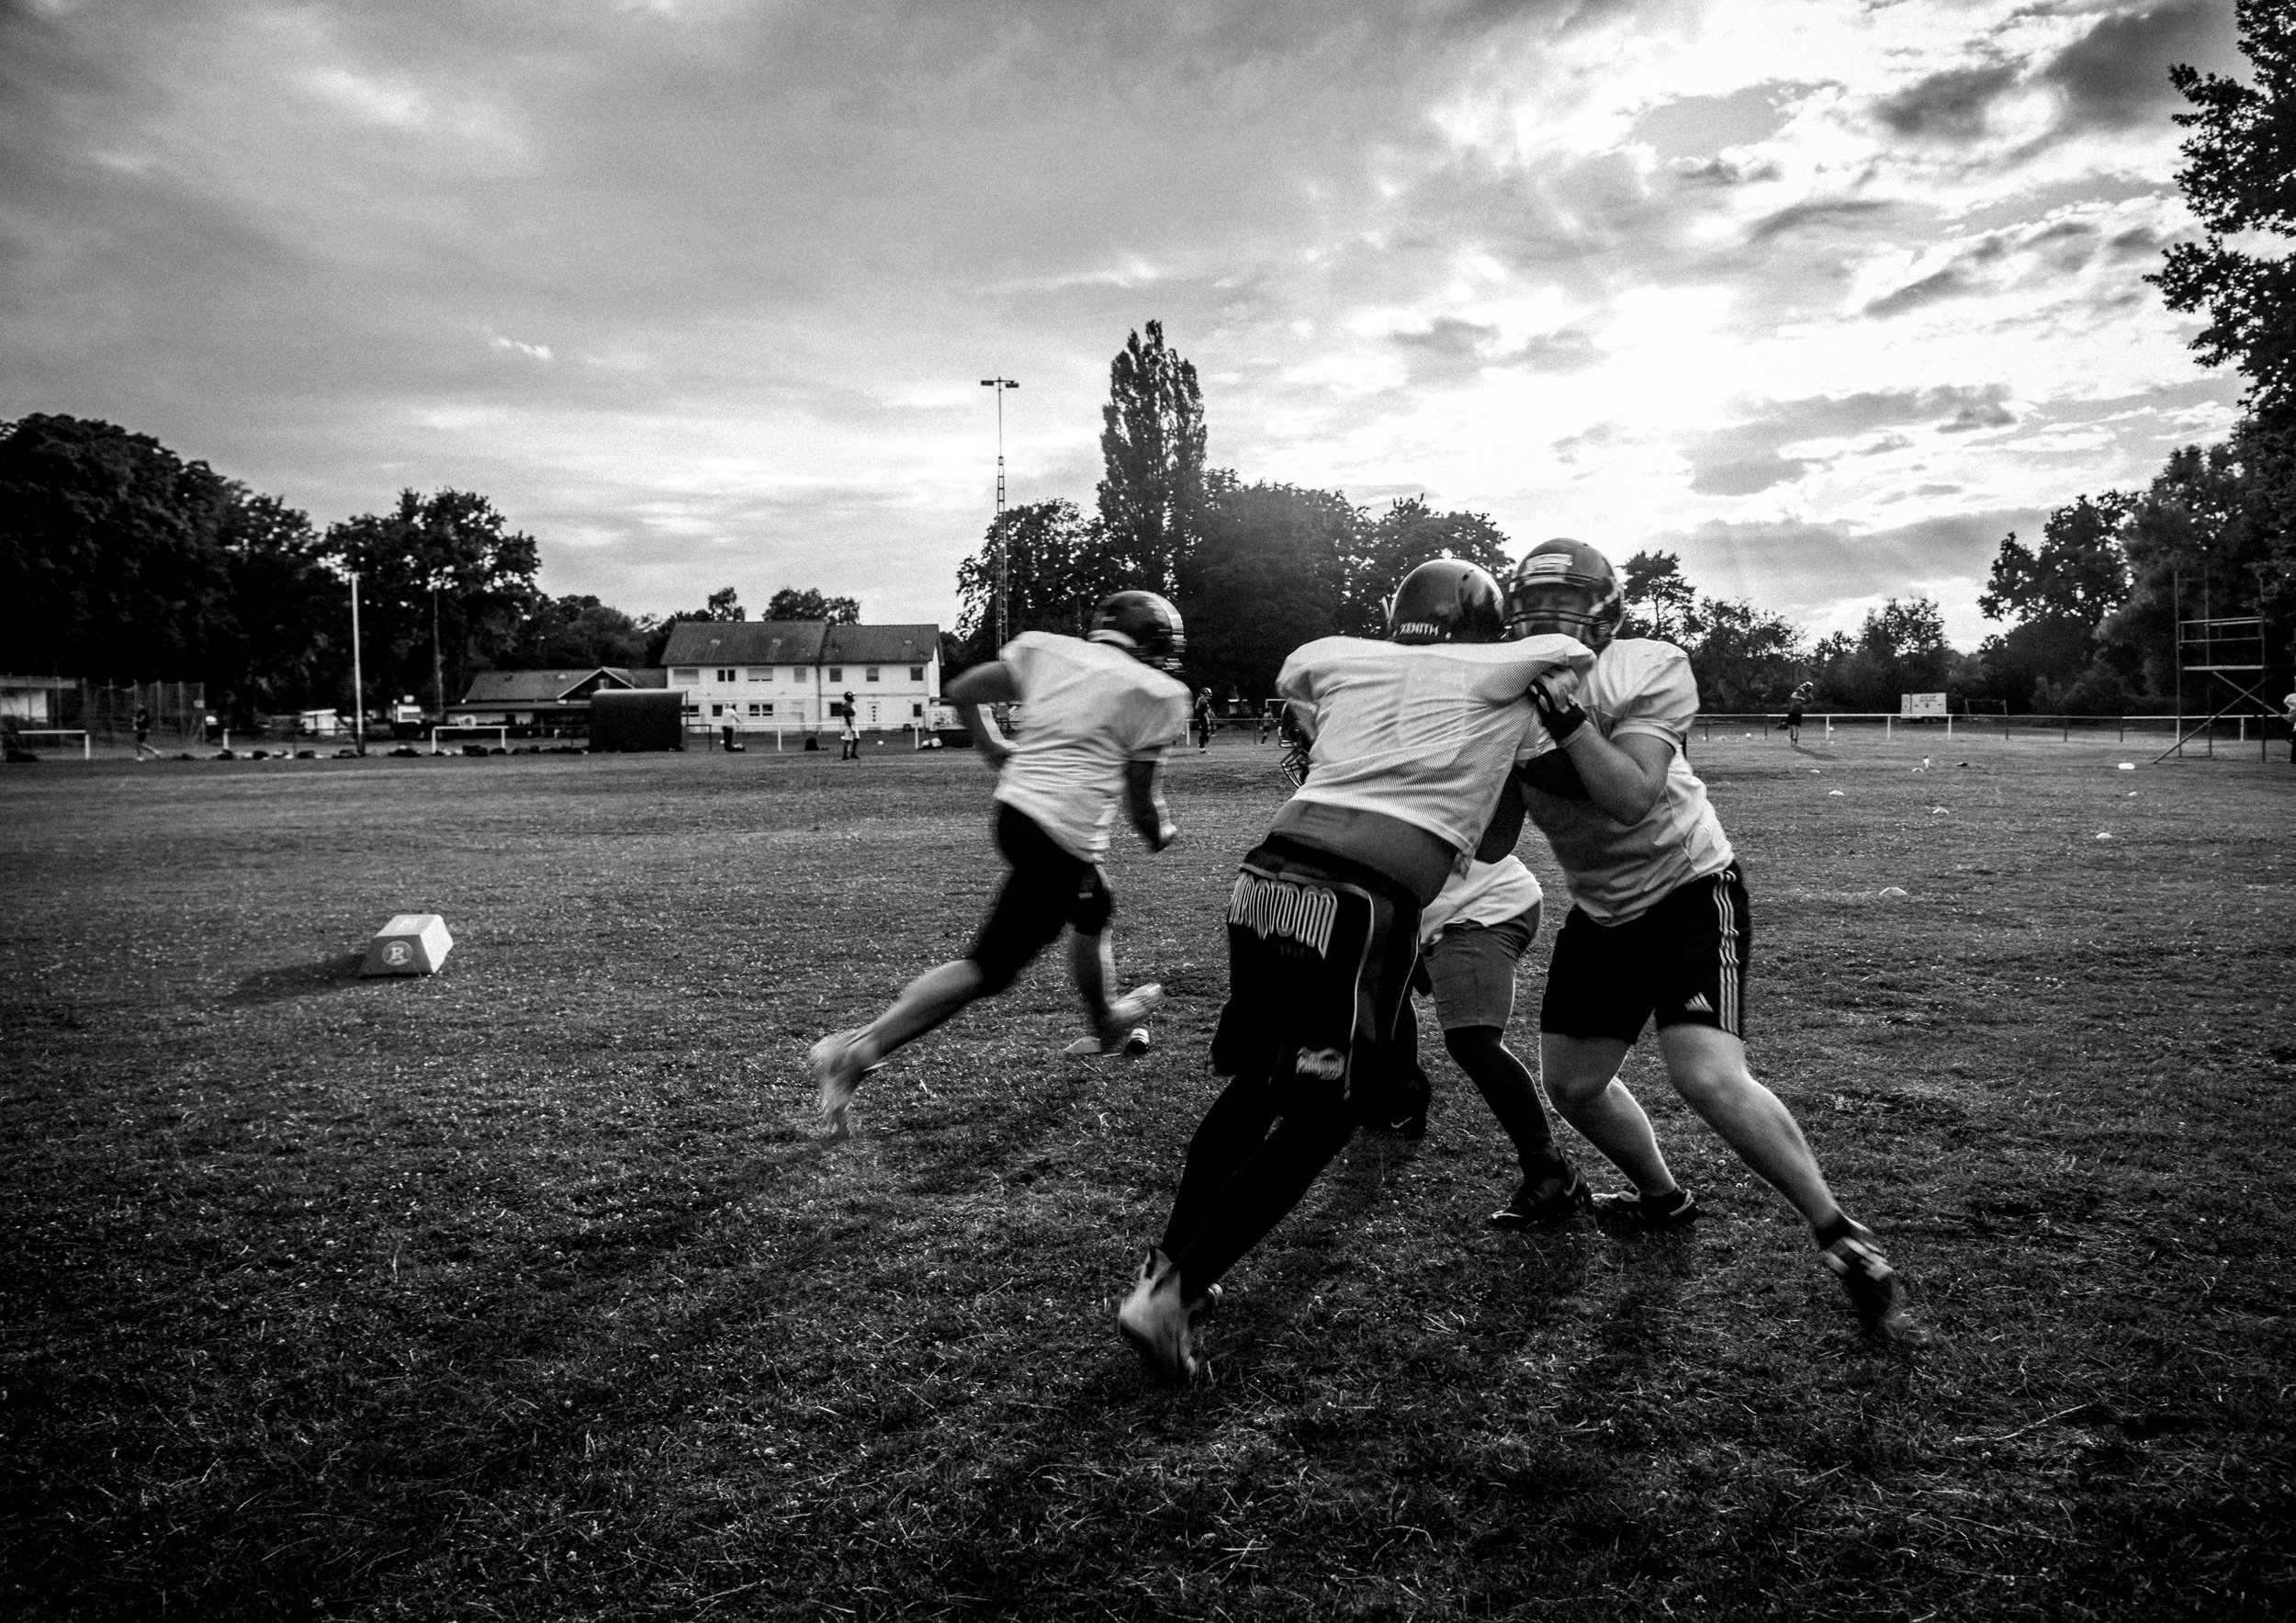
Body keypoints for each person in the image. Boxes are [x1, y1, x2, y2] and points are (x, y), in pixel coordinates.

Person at [1115, 559, 1593, 1381]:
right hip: (1356, 899)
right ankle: (1172, 1295)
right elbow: (1507, 812)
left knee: (1257, 1087)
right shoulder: (1509, 677)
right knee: (1327, 1112)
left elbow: (1298, 676)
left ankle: (1167, 1263)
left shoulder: (1351, 661)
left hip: (1266, 876)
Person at [1497, 537, 1922, 1342]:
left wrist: (1564, 719)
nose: (1550, 625)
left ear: (1606, 616)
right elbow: (1491, 840)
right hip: (1602, 909)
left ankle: (1840, 1232)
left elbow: (1632, 795)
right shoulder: (1499, 694)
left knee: (1706, 1074)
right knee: (1574, 1085)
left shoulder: (1645, 665)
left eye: (1568, 609)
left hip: (1687, 888)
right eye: (1535, 611)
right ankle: (1663, 1199)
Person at [808, 592, 1191, 1138]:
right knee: (987, 969)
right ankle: (858, 1049)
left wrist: (991, 745)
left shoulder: (1050, 651)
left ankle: (1105, 1017)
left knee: (1094, 903)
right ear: (1155, 643)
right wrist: (1163, 833)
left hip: (1014, 816)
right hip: (1061, 833)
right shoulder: (1158, 691)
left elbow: (963, 689)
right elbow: (1142, 805)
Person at [1412, 855, 1586, 1225]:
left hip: (1480, 905)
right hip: (1453, 907)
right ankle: (1398, 1102)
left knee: (1472, 1038)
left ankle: (1550, 1171)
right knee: (1377, 988)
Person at [1784, 682, 1811, 747]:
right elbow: (1792, 696)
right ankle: (1791, 740)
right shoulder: (1797, 693)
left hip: (1798, 713)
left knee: (1796, 727)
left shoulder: (1808, 696)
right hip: (1792, 711)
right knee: (1790, 726)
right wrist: (1800, 698)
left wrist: (1803, 701)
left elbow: (1807, 705)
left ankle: (1795, 741)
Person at [1193, 687, 1217, 752]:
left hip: (1201, 717)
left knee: (1204, 733)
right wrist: (1207, 719)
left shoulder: (1201, 699)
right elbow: (1204, 712)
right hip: (1203, 718)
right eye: (1208, 694)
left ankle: (1201, 746)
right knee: (1204, 733)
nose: (1209, 695)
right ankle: (1202, 748)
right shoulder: (1203, 701)